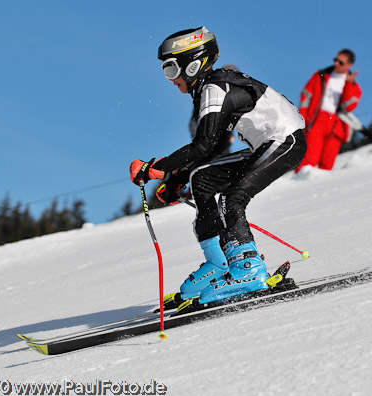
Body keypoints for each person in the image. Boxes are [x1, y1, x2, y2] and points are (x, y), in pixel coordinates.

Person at [129, 27, 306, 305]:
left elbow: (202, 144)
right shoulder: (211, 88)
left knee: (233, 197)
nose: (170, 79)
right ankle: (220, 263)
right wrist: (177, 181)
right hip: (268, 143)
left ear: (193, 63)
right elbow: (211, 147)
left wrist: (158, 168)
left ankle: (249, 269)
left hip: (286, 141)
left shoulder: (214, 87)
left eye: (171, 69)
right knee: (202, 179)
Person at [295, 49, 362, 172]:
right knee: (308, 161)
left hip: (337, 125)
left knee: (327, 164)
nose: (336, 63)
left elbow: (348, 107)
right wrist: (303, 119)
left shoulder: (354, 86)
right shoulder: (320, 76)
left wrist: (348, 84)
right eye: (336, 60)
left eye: (341, 62)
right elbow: (306, 96)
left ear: (349, 66)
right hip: (316, 121)